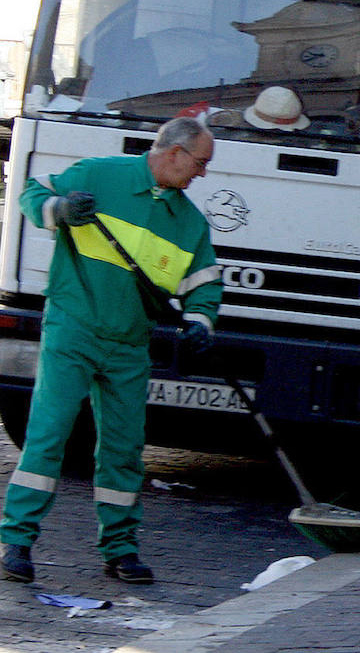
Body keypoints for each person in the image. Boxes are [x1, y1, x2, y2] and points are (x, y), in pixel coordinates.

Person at [0, 117, 224, 584]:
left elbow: (204, 283)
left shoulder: (188, 223)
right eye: (200, 163)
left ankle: (120, 549)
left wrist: (202, 322)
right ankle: (16, 541)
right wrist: (59, 209)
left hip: (129, 345)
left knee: (123, 450)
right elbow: (30, 193)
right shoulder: (100, 175)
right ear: (174, 153)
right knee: (49, 434)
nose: (202, 174)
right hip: (73, 330)